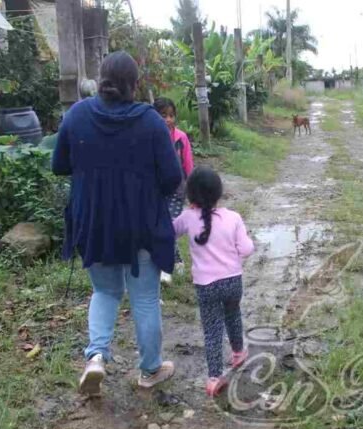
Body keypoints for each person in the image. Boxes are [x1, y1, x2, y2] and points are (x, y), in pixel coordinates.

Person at [52, 51, 183, 395]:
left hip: (94, 222)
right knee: (144, 298)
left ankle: (96, 356)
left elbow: (59, 165)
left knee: (105, 291)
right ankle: (150, 370)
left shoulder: (77, 115)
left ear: (101, 79)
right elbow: (172, 178)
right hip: (141, 225)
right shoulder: (151, 121)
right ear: (134, 84)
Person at [173, 167, 254, 397]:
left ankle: (214, 377)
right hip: (232, 282)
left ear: (190, 195)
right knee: (233, 315)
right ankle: (238, 353)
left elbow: (169, 231)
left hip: (206, 286)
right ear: (219, 193)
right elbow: (247, 249)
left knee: (212, 329)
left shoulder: (188, 217)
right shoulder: (233, 217)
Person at [153, 97, 194, 284]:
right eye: (163, 116)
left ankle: (167, 266)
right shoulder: (150, 137)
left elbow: (188, 165)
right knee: (161, 227)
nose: (168, 120)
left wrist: (192, 191)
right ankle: (176, 259)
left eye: (171, 116)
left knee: (170, 226)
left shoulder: (181, 138)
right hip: (156, 191)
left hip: (177, 191)